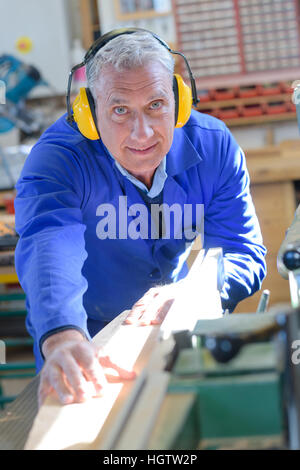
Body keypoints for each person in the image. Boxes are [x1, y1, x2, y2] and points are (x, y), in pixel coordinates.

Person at [14, 29, 266, 406]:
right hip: (83, 331)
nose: (142, 132)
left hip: (175, 319)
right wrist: (62, 335)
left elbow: (242, 251)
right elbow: (48, 246)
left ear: (179, 102)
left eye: (155, 105)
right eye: (120, 110)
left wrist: (190, 294)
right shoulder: (58, 160)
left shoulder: (214, 147)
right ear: (88, 112)